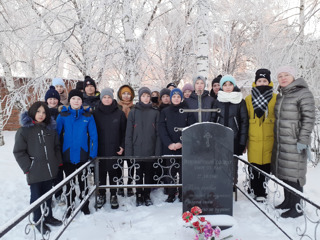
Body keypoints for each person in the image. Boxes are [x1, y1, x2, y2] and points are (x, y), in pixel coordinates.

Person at [271, 66, 315, 218]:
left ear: (293, 77)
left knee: (294, 174)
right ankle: (288, 201)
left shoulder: (303, 93)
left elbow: (308, 118)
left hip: (295, 141)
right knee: (284, 173)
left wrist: (303, 139)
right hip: (282, 141)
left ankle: (297, 207)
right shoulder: (281, 95)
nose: (283, 78)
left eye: (286, 75)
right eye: (280, 75)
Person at [13, 101, 63, 233]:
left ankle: (48, 216)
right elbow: (19, 152)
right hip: (35, 172)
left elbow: (56, 147)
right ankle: (37, 220)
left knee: (48, 196)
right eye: (38, 111)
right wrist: (28, 167)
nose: (41, 115)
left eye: (44, 112)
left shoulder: (50, 130)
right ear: (32, 112)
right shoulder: (24, 131)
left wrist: (57, 163)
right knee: (36, 198)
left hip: (49, 170)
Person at [56, 89, 98, 216]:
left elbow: (94, 136)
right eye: (73, 99)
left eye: (78, 99)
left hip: (82, 154)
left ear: (82, 101)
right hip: (67, 155)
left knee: (83, 181)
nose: (76, 101)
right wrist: (58, 154)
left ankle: (84, 204)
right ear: (69, 100)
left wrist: (92, 153)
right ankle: (70, 205)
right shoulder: (62, 116)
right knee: (69, 183)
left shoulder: (88, 116)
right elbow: (56, 137)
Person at [125, 87, 161, 207]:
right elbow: (129, 133)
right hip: (137, 149)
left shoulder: (155, 112)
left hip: (150, 148)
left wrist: (157, 151)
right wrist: (129, 151)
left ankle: (147, 195)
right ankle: (138, 195)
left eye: (147, 96)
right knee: (138, 175)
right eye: (143, 96)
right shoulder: (133, 112)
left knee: (149, 175)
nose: (145, 98)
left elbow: (158, 134)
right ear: (139, 97)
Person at [211, 75, 248, 189]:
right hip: (219, 138)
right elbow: (213, 120)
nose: (227, 87)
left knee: (232, 163)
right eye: (225, 85)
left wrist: (242, 142)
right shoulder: (218, 101)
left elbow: (244, 122)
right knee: (219, 162)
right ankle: (220, 185)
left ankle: (232, 185)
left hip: (234, 138)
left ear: (234, 85)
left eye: (230, 84)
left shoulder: (240, 101)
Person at [245, 69, 277, 202]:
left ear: (269, 81)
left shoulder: (275, 97)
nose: (262, 83)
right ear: (255, 82)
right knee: (253, 165)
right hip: (253, 139)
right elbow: (245, 120)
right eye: (259, 81)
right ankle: (253, 187)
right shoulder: (248, 98)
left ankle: (261, 191)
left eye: (265, 81)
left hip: (269, 139)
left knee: (265, 167)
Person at [158, 88, 196, 202]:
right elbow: (162, 128)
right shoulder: (165, 112)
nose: (176, 99)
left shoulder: (187, 111)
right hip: (169, 146)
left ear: (181, 98)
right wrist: (169, 144)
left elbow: (191, 128)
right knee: (170, 171)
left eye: (178, 97)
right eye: (173, 97)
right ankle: (171, 193)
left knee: (183, 171)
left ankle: (182, 193)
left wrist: (181, 143)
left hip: (183, 146)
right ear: (170, 98)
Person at [93, 88, 127, 209]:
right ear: (101, 99)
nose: (107, 99)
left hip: (115, 148)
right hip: (100, 149)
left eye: (109, 97)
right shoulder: (95, 114)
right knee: (101, 173)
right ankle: (101, 194)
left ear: (112, 98)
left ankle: (113, 194)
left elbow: (124, 132)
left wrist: (122, 146)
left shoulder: (119, 113)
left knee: (113, 173)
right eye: (104, 97)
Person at [44, 86, 65, 205]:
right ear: (47, 100)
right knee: (47, 173)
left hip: (60, 146)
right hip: (46, 146)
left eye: (55, 99)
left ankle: (58, 194)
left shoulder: (62, 111)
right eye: (50, 99)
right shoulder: (42, 112)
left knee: (58, 172)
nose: (52, 101)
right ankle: (48, 196)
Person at [117, 84, 135, 197]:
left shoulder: (135, 108)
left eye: (128, 93)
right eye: (124, 93)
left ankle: (129, 185)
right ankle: (119, 185)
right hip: (119, 139)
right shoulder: (116, 107)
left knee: (131, 164)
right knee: (118, 164)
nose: (126, 96)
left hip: (132, 139)